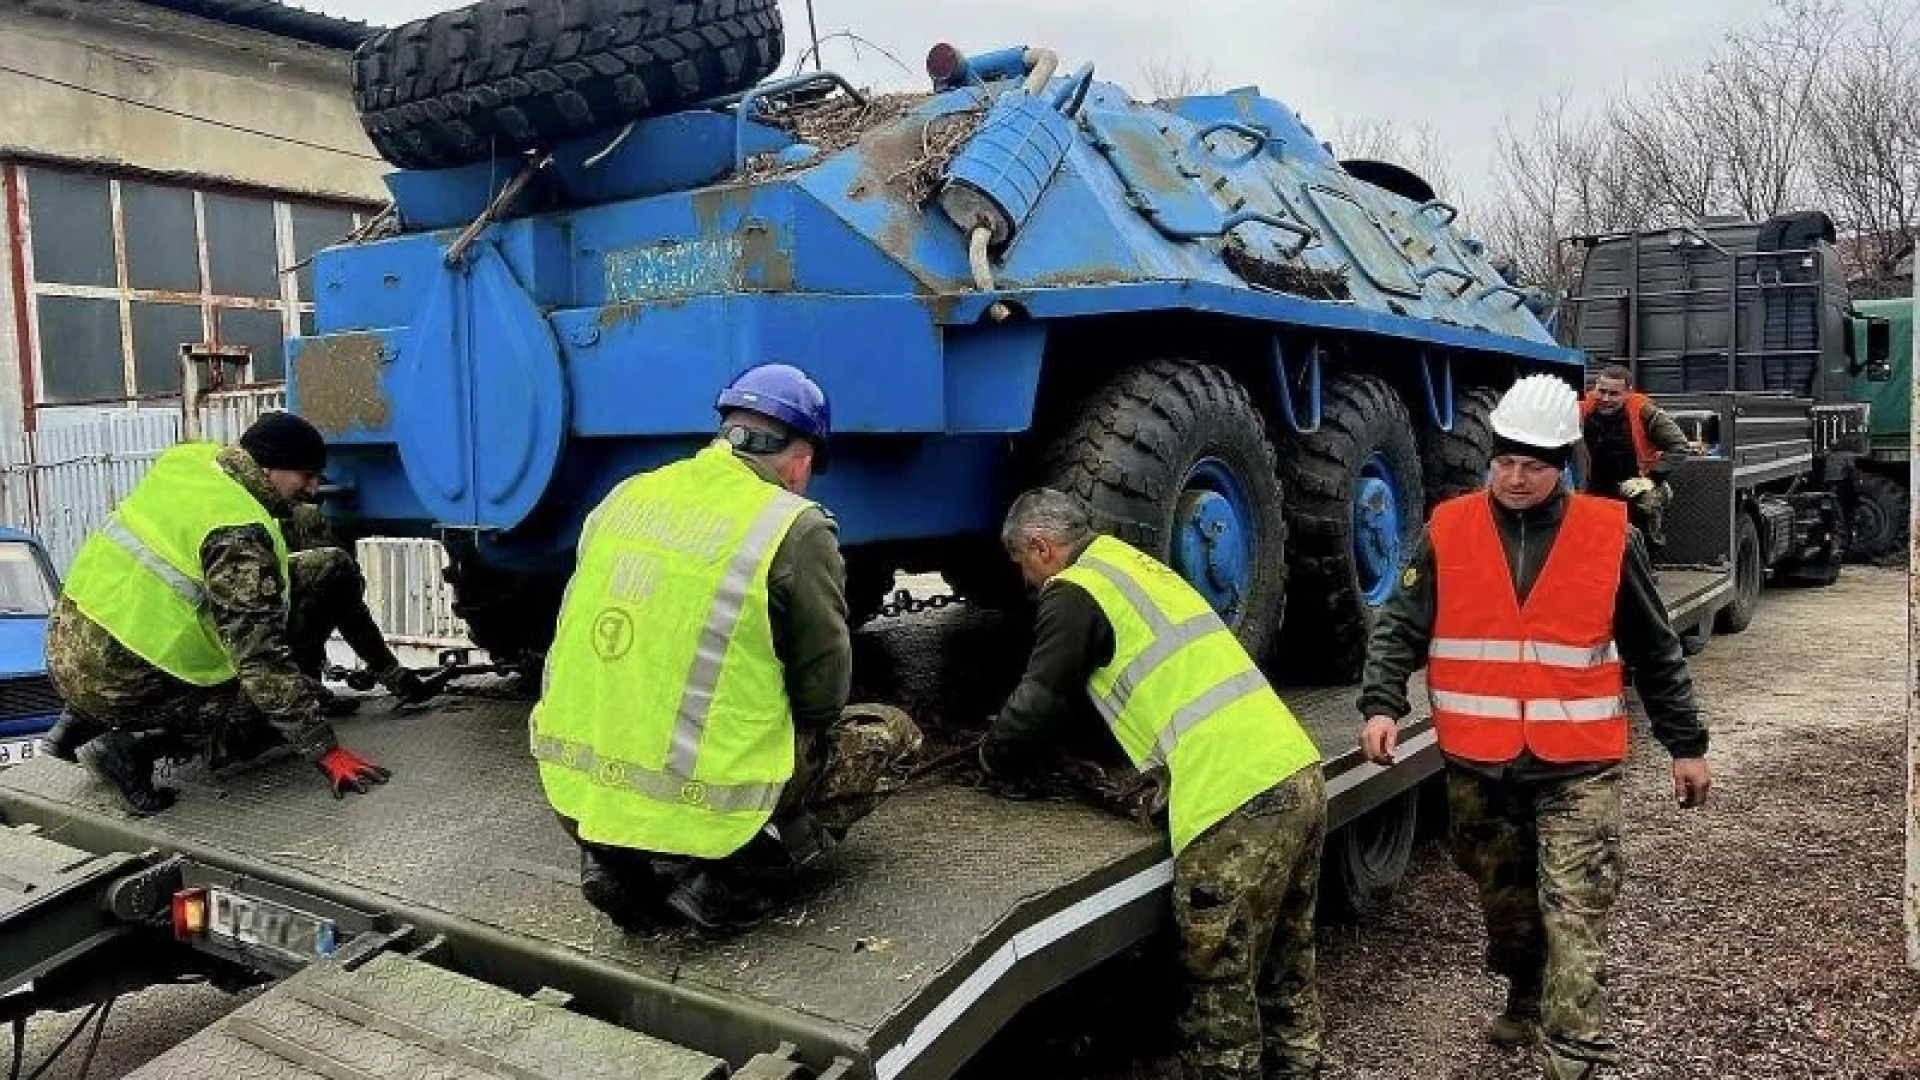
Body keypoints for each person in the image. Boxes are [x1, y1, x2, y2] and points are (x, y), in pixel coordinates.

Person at [1357, 374, 1712, 1080]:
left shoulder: (1610, 536)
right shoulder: (1448, 528)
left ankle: (1574, 1052)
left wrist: (1687, 746)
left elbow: (1654, 646)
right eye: (1505, 462)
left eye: (1533, 466)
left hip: (1578, 765)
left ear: (1565, 464)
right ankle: (1523, 986)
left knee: (1577, 909)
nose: (1515, 478)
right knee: (1507, 903)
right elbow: (1399, 625)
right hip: (1480, 764)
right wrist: (1380, 704)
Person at [530, 363, 923, 932]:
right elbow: (822, 695)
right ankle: (732, 878)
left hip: (576, 788)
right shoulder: (794, 526)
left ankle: (613, 861)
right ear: (801, 462)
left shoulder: (625, 497)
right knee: (891, 734)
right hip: (711, 808)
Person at [979, 488, 1328, 1080]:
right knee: (1287, 955)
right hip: (1297, 771)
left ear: (1041, 547)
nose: (1027, 581)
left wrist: (994, 755)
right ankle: (1301, 1066)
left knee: (1218, 974)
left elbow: (1037, 700)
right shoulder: (1126, 561)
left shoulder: (1073, 592)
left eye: (1022, 564)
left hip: (1231, 800)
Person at [43, 411, 394, 814]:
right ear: (270, 466)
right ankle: (129, 749)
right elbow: (260, 660)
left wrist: (387, 669)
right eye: (306, 475)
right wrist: (322, 748)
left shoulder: (191, 463)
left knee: (327, 569)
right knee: (268, 714)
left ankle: (78, 721)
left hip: (70, 651)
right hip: (124, 677)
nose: (314, 489)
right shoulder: (238, 533)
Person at [1580, 365, 1690, 552]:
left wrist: (1650, 479)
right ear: (1595, 387)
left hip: (1636, 483)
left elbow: (1679, 447)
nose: (1606, 399)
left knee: (1646, 502)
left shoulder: (1644, 412)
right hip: (1594, 483)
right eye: (1602, 391)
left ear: (1627, 393)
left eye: (1614, 394)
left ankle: (1648, 556)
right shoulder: (1583, 408)